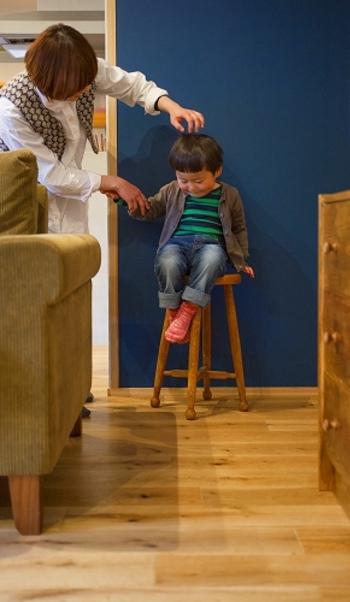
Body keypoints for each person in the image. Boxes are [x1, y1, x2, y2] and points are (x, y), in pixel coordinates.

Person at [0, 23, 205, 415]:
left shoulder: (84, 69)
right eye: (76, 88)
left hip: (69, 199)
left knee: (76, 290)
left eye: (86, 84)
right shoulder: (12, 107)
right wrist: (108, 181)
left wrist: (171, 106)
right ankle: (47, 395)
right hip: (24, 203)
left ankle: (73, 388)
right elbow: (49, 175)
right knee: (41, 299)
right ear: (51, 81)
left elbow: (130, 85)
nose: (84, 92)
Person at [127, 133, 254, 344]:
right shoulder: (171, 190)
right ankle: (173, 310)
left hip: (211, 246)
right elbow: (150, 210)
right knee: (167, 260)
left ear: (217, 171)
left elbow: (239, 228)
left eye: (199, 181)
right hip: (177, 245)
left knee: (213, 257)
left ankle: (187, 310)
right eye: (183, 180)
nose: (191, 187)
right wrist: (129, 203)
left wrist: (242, 259)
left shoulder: (230, 194)